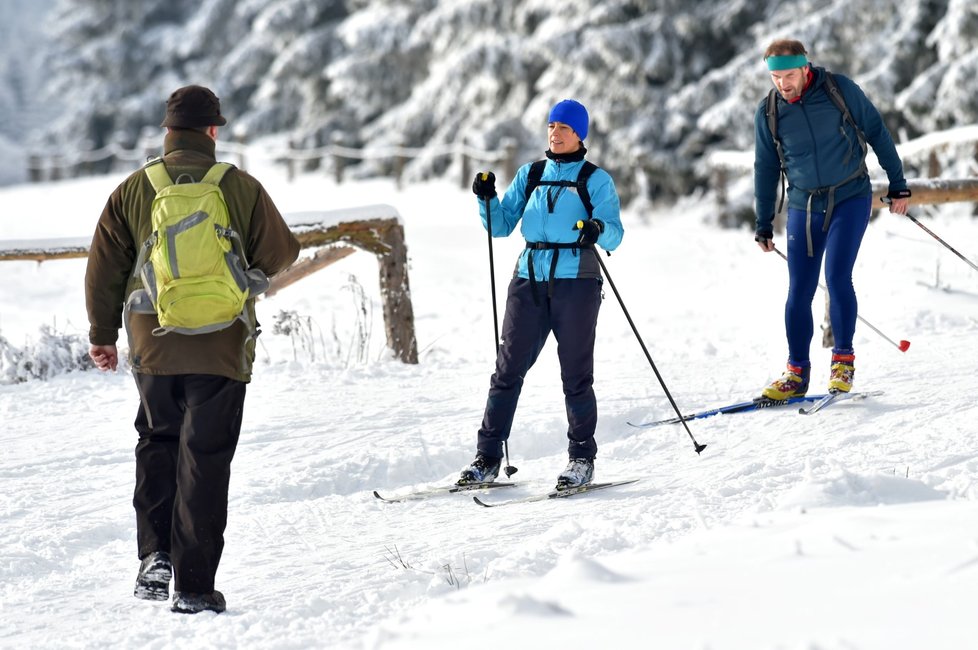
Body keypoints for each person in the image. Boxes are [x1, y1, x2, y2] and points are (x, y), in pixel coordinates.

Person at [85, 85, 300, 614]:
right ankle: (194, 588)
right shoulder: (239, 185)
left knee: (158, 441)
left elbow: (104, 268)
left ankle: (153, 558)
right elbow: (282, 252)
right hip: (222, 346)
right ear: (213, 130)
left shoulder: (134, 188)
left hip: (153, 343)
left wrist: (102, 334)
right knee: (205, 458)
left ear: (167, 131)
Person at [459, 99, 623, 489]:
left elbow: (615, 230)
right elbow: (500, 227)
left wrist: (596, 229)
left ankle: (581, 459)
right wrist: (487, 198)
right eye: (551, 126)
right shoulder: (530, 174)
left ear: (580, 134)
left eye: (564, 128)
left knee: (576, 377)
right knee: (507, 371)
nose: (555, 133)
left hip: (577, 282)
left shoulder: (595, 179)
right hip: (528, 279)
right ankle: (486, 458)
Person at [753, 39, 910, 400]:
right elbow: (765, 168)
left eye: (789, 75)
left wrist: (898, 184)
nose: (783, 84)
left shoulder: (840, 90)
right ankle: (796, 374)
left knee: (837, 276)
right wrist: (763, 221)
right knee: (799, 290)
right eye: (776, 77)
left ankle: (842, 361)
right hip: (804, 205)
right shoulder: (770, 111)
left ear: (806, 68)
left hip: (850, 196)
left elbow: (877, 132)